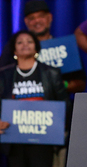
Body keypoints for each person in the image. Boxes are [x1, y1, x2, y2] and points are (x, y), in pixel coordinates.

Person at [0, 30, 69, 167]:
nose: (25, 44)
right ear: (14, 50)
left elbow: (65, 104)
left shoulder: (51, 73)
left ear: (36, 47)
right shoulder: (4, 75)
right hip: (14, 140)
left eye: (29, 41)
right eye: (20, 42)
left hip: (43, 140)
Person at [0, 0, 86, 93]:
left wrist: (59, 84)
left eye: (41, 16)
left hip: (56, 105)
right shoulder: (14, 48)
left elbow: (81, 83)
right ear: (26, 22)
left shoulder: (65, 47)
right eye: (32, 18)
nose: (37, 21)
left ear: (49, 17)